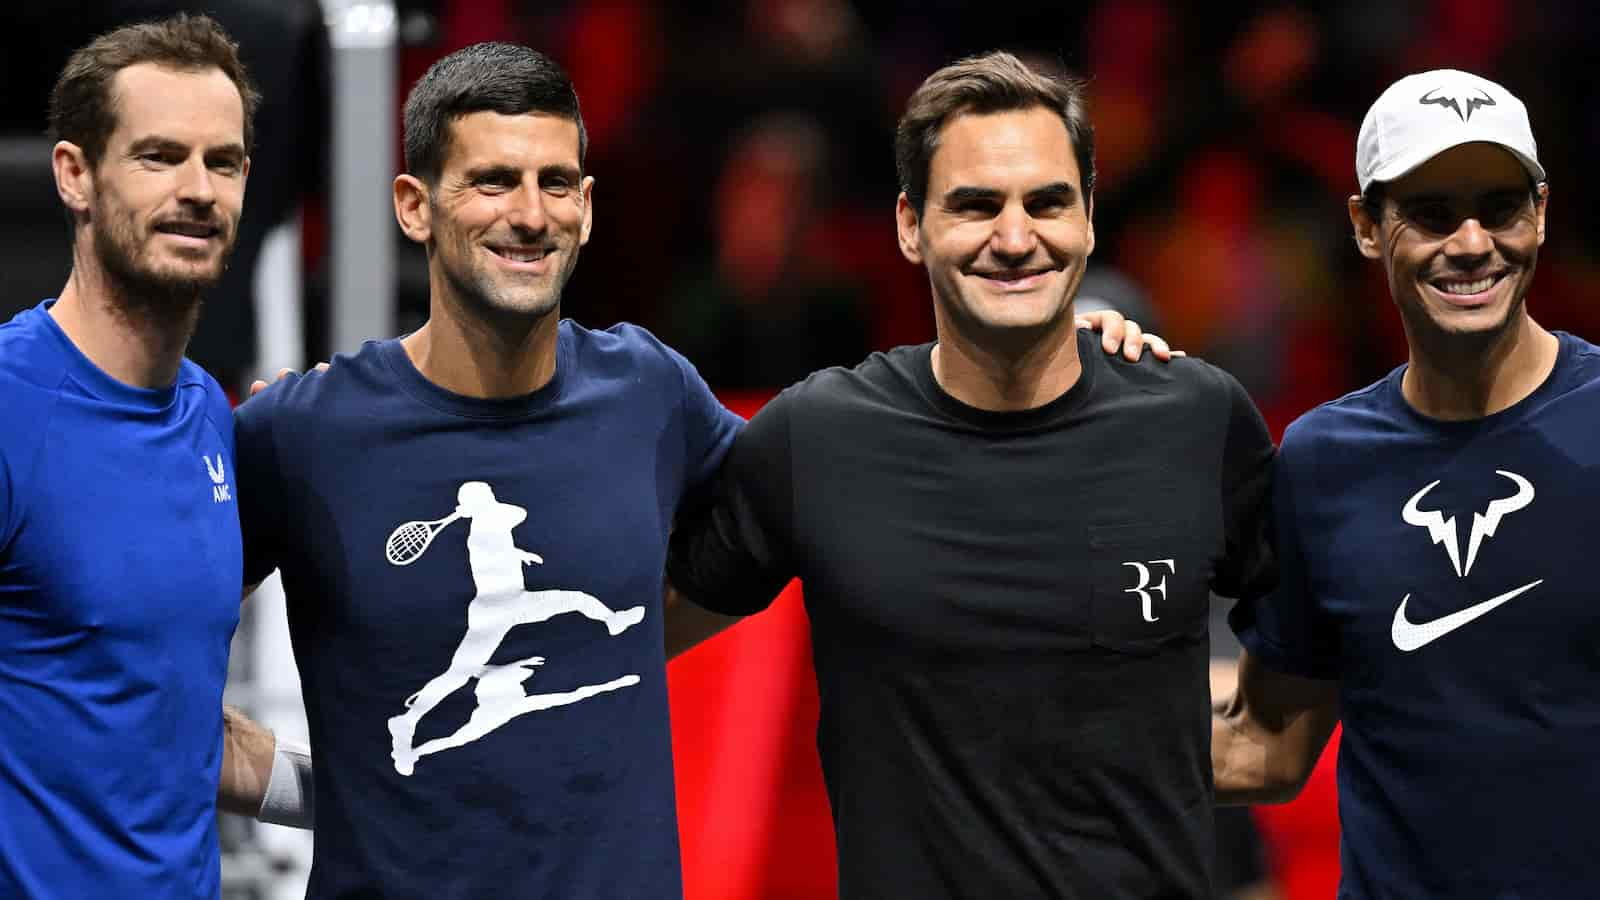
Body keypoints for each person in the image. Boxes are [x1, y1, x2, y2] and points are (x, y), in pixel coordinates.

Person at [224, 42, 1162, 897]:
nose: (530, 213)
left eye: (557, 183)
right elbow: (116, 657)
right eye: (493, 182)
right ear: (414, 205)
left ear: (587, 209)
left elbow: (825, 490)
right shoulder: (304, 432)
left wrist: (1055, 357)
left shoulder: (648, 391)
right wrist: (300, 790)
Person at [666, 51, 1276, 898]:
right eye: (977, 205)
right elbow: (626, 643)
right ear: (910, 225)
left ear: (1090, 217)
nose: (1017, 237)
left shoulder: (1198, 418)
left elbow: (1305, 678)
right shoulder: (819, 437)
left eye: (1048, 202)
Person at [1213, 69, 1598, 897]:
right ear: (1364, 223)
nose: (1470, 242)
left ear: (1540, 211)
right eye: (1429, 212)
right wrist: (1038, 736)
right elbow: (1266, 748)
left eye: (1499, 207)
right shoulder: (1320, 464)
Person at [0, 14, 282, 898]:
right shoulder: (9, 409)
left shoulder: (208, 417)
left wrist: (393, 798)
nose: (199, 190)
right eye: (160, 156)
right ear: (76, 176)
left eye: (223, 162)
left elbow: (169, 729)